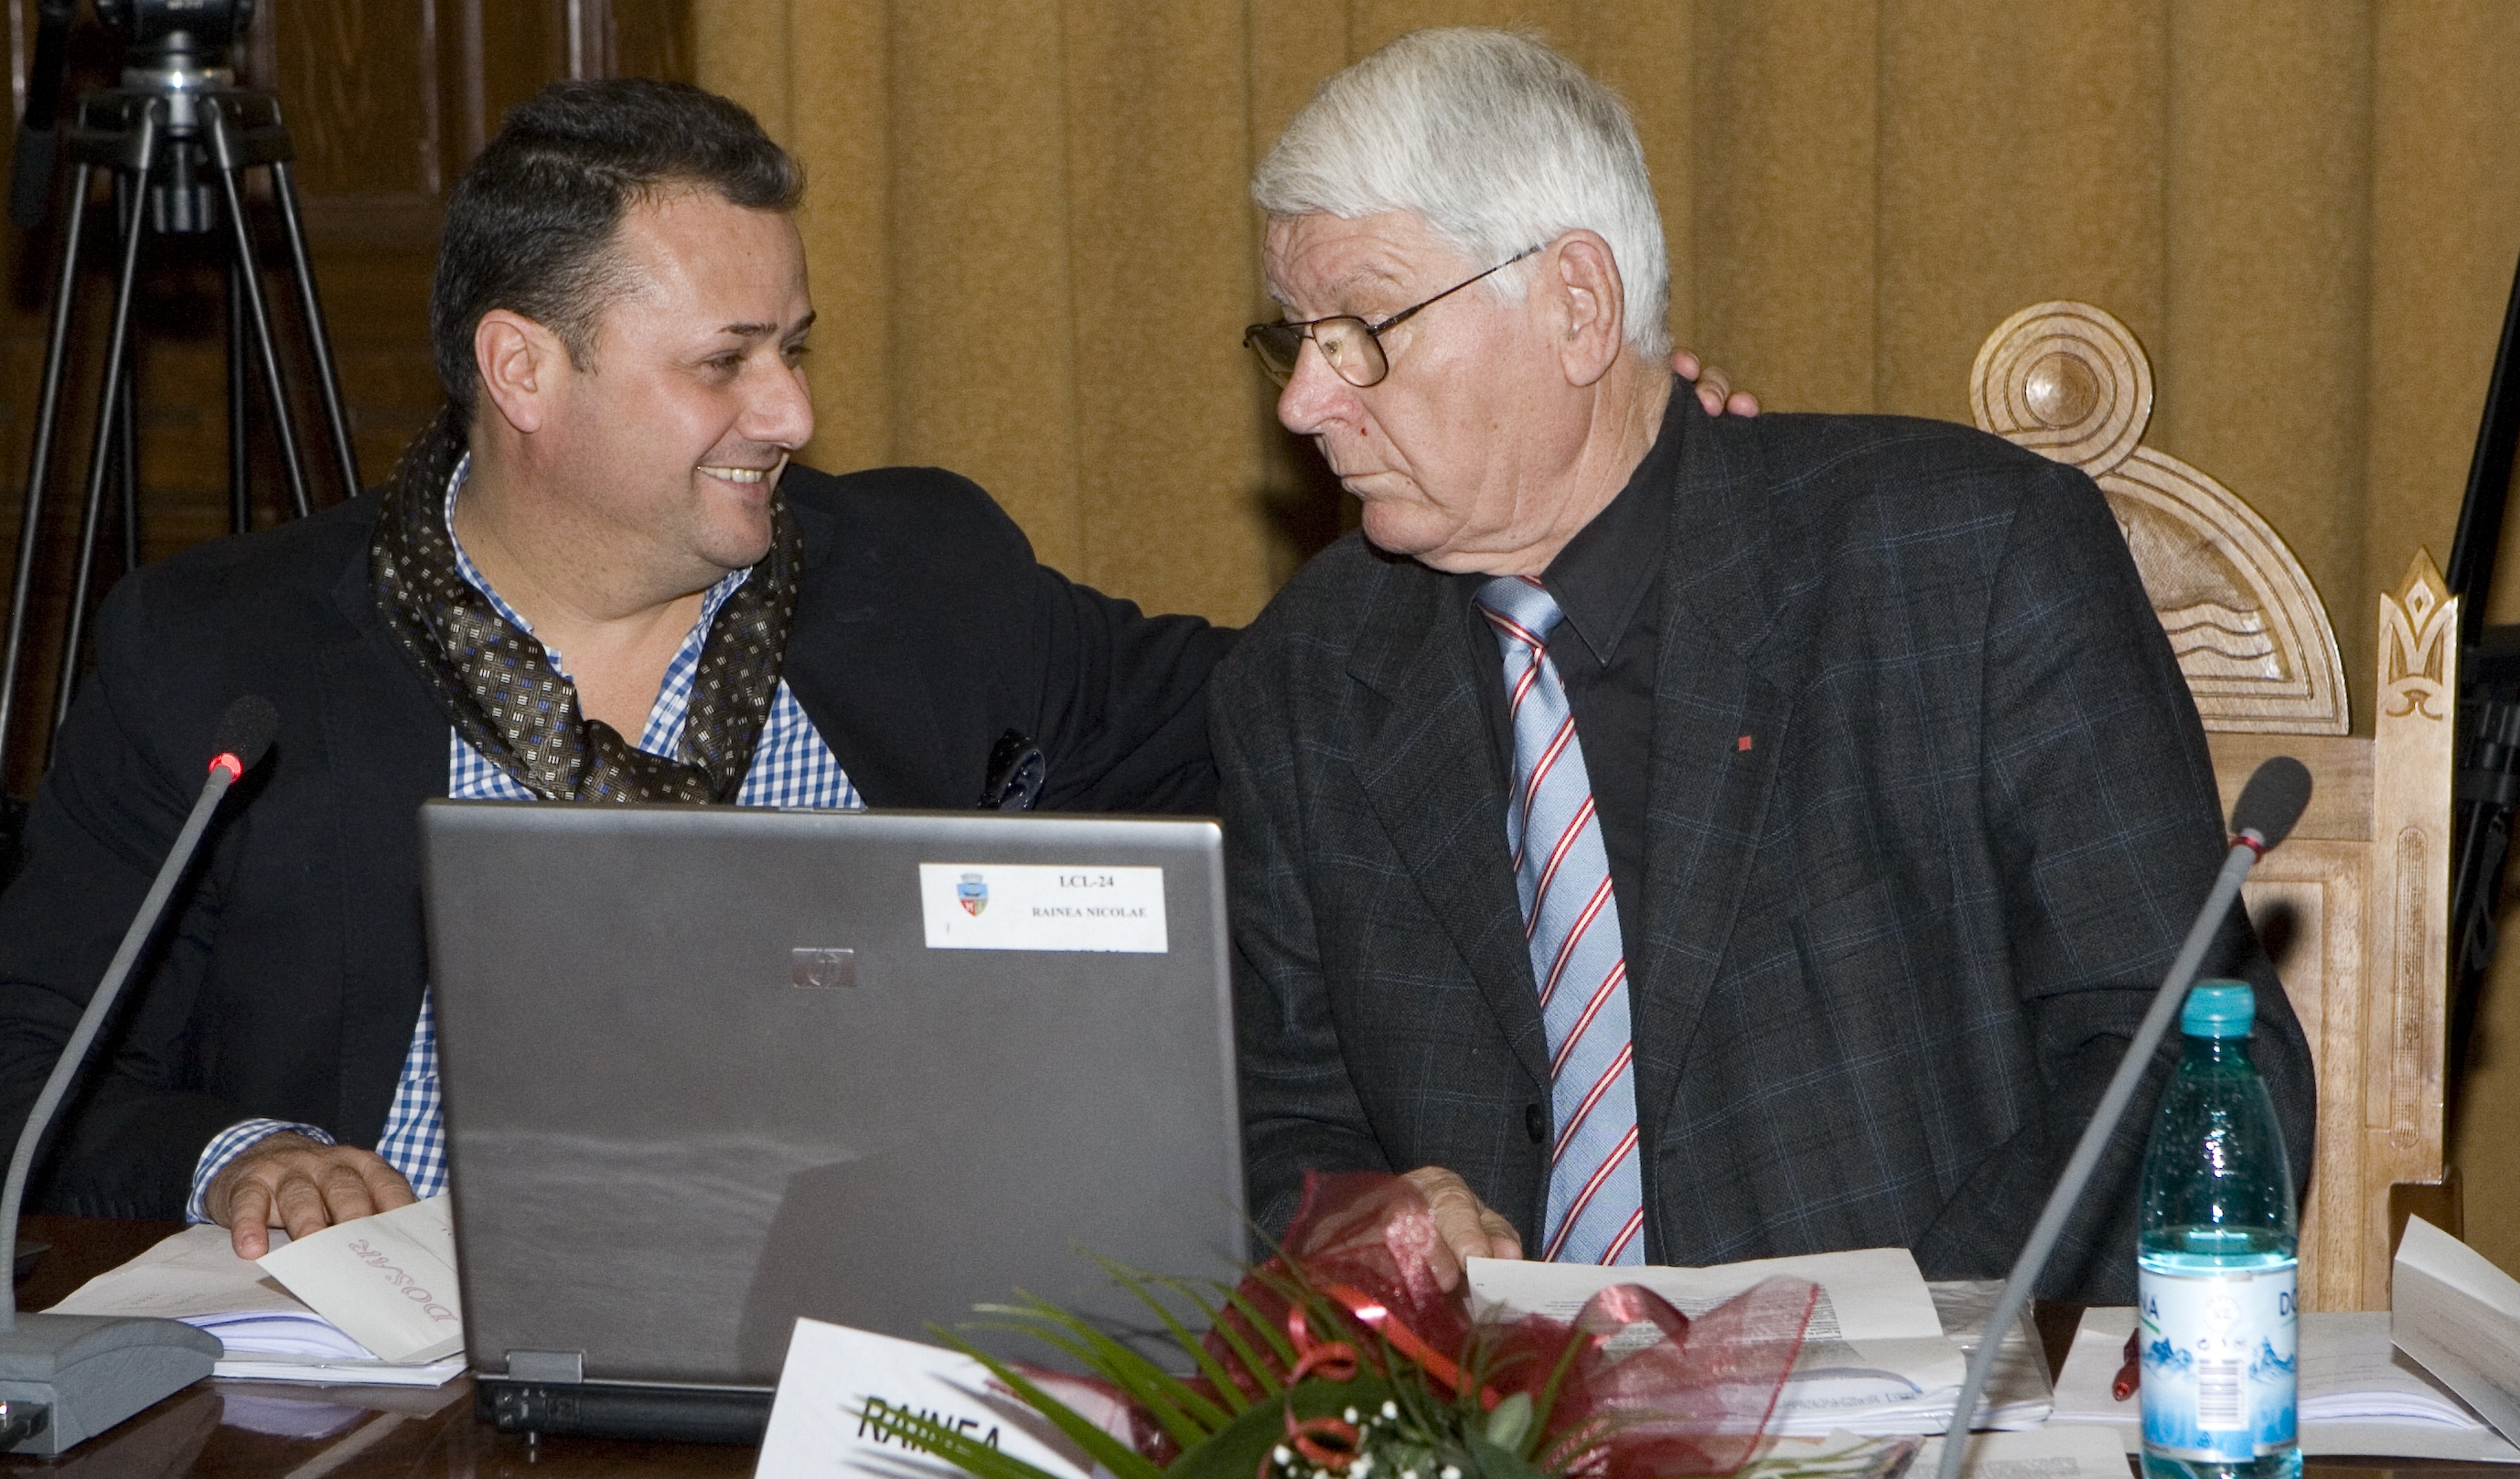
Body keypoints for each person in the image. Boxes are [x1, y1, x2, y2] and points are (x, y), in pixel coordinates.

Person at [0, 77, 1752, 1259]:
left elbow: (1302, 720)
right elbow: (33, 1076)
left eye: (801, 347)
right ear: (523, 369)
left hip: (876, 1399)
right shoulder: (226, 666)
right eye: (727, 363)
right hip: (380, 1452)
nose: (796, 415)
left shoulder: (918, 585)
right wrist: (243, 1161)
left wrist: (1599, 491)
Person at [1212, 28, 2312, 1304]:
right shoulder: (1308, 675)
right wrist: (1372, 1219)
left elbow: (2184, 1061)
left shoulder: (1964, 563)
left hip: (1930, 1433)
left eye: (1358, 331)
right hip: (1495, 1456)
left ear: (1576, 306)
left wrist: (1893, 1353)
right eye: (1293, 341)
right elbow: (1273, 1127)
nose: (1304, 402)